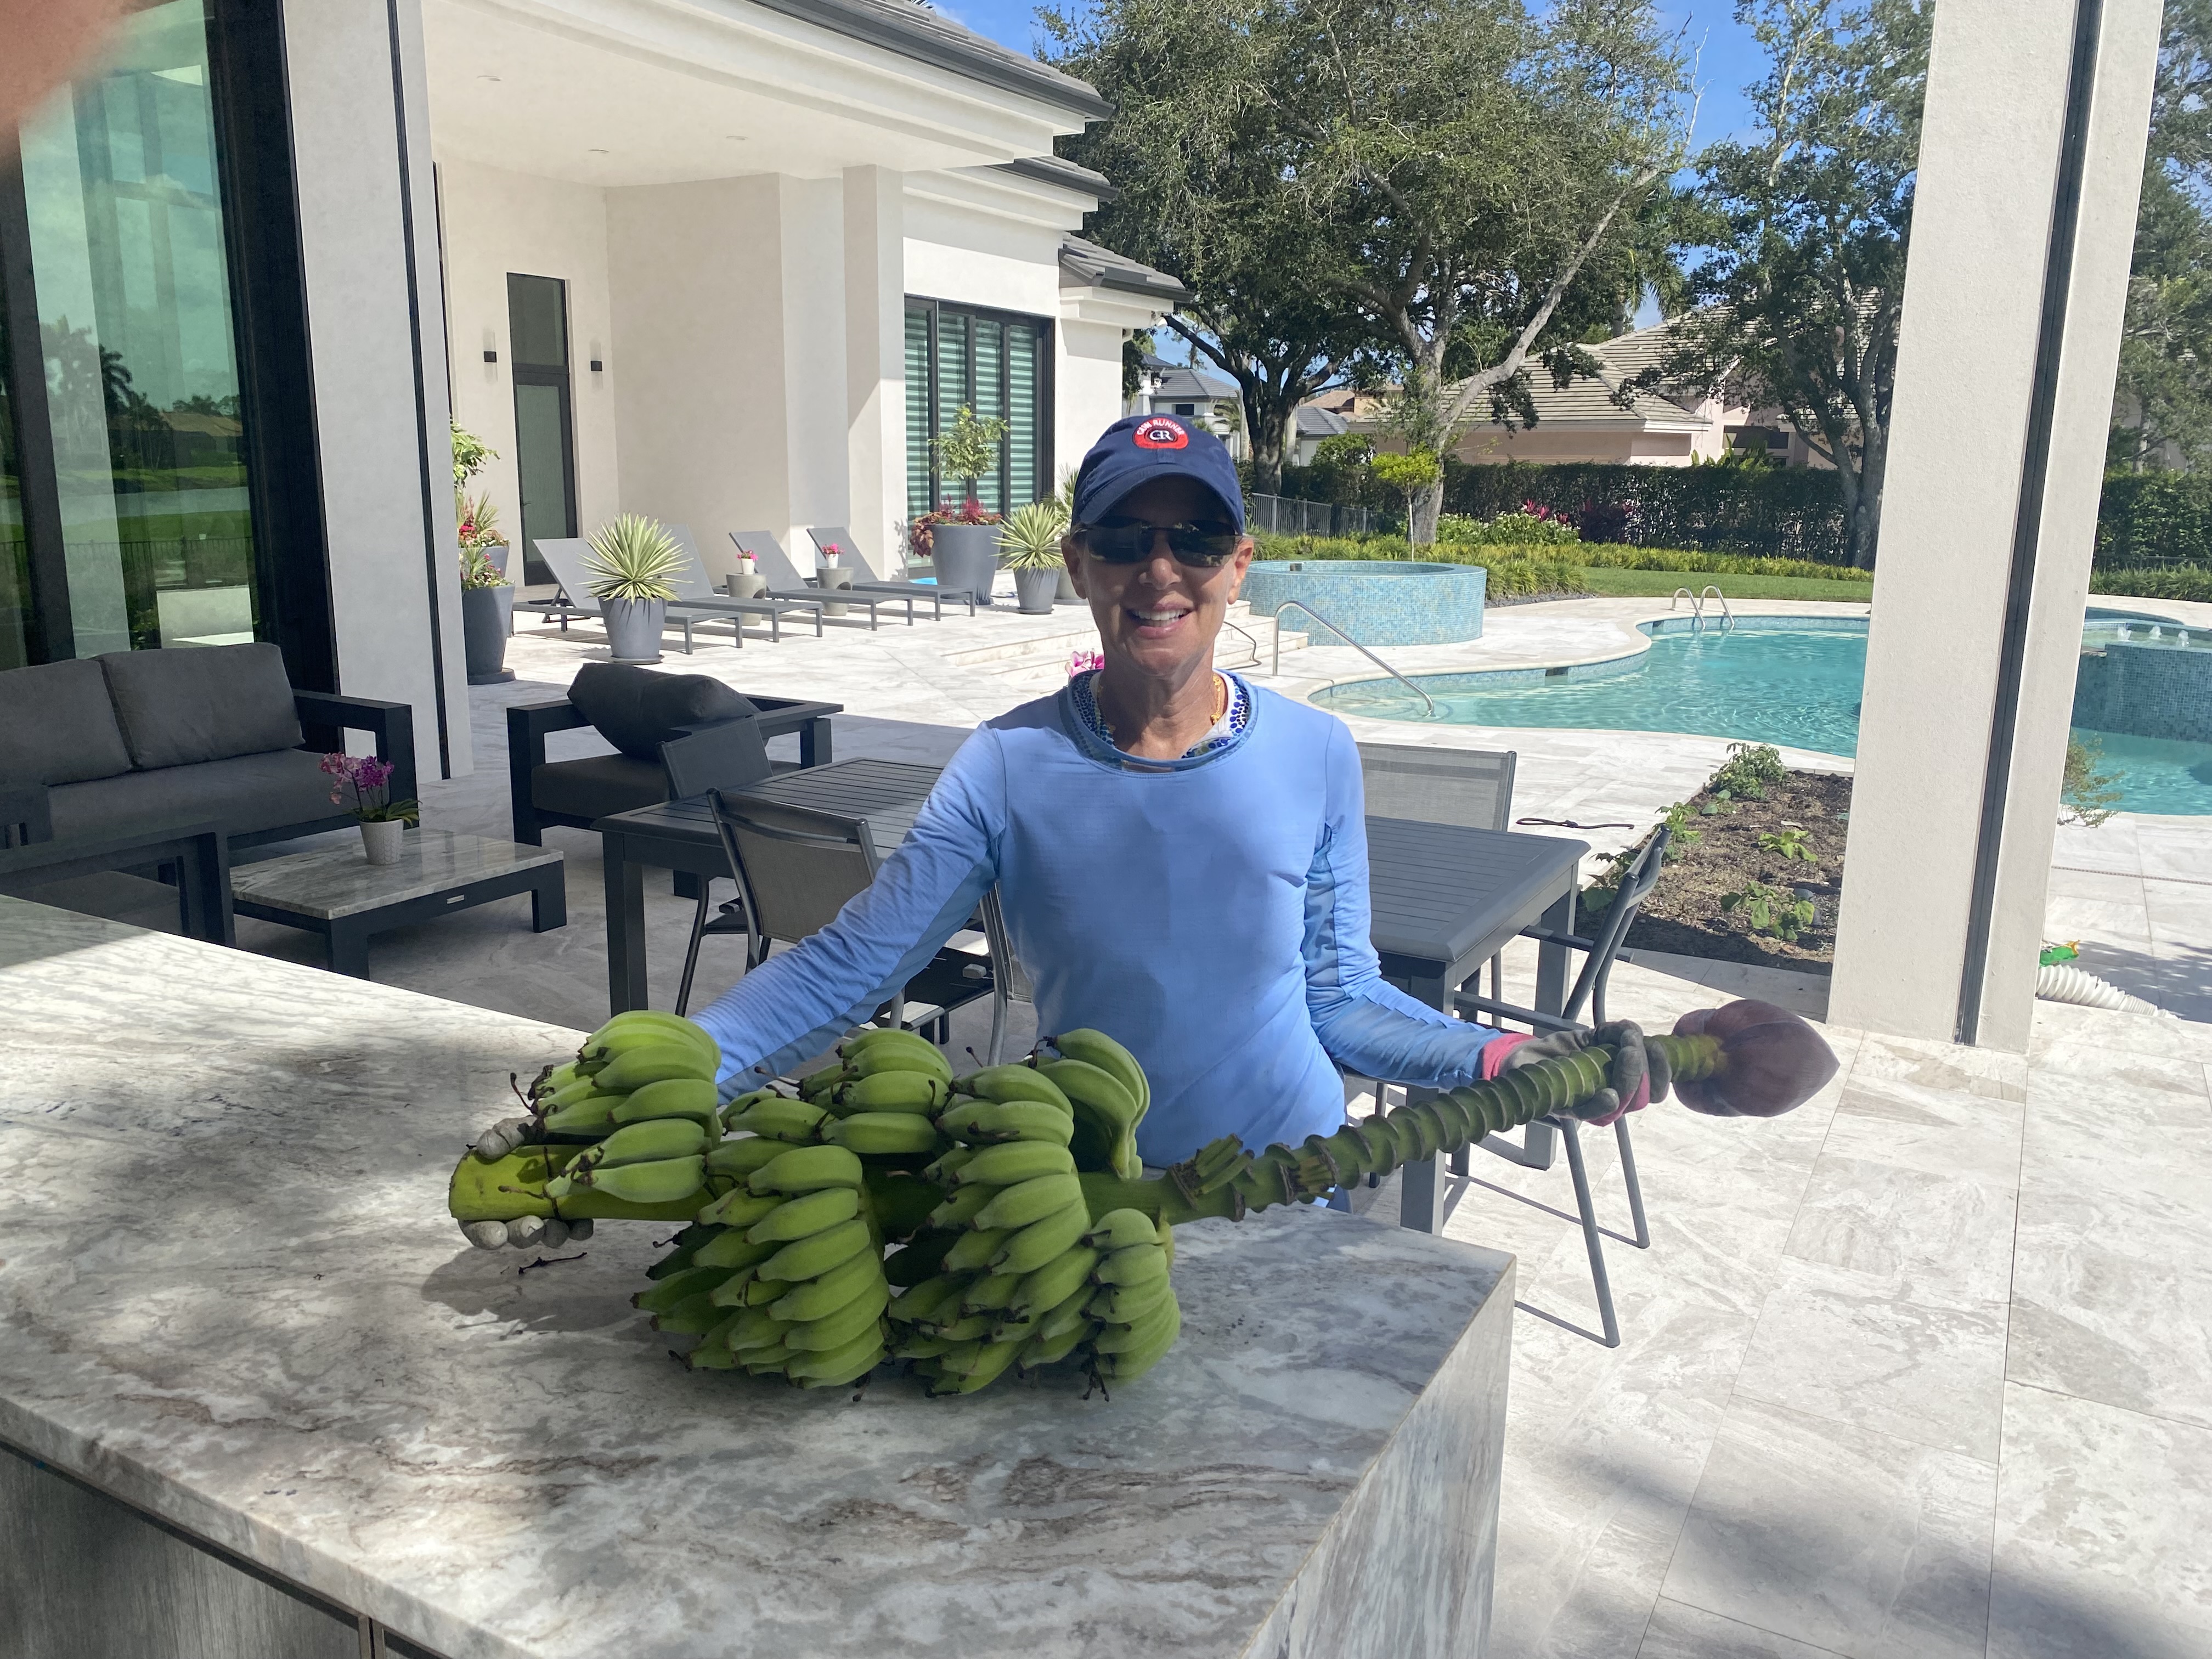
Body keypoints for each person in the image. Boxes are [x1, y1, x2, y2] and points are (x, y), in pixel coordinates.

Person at [691, 414, 1650, 1168]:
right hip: (1084, 1184)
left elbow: (1344, 996)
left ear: (1239, 566)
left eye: (1196, 539)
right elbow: (852, 965)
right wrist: (669, 1076)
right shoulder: (1005, 763)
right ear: (1076, 564)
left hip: (1289, 1177)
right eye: (1122, 538)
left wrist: (1497, 1057)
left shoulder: (1317, 752)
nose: (1160, 571)